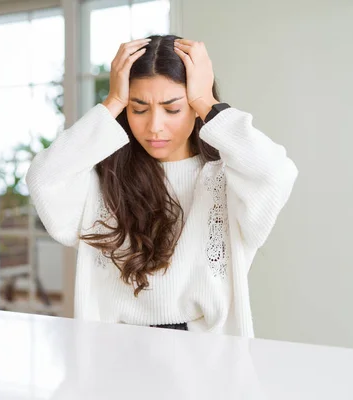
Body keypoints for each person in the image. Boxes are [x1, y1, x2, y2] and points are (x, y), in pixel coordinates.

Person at [25, 34, 298, 337]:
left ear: (195, 108)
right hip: (113, 352)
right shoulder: (103, 180)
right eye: (138, 108)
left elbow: (277, 173)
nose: (154, 126)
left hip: (206, 358)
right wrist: (112, 101)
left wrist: (207, 101)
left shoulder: (226, 180)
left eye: (172, 108)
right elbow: (43, 178)